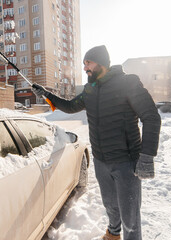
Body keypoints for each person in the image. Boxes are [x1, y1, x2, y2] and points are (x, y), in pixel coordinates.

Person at [32, 45, 161, 240]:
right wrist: (47, 95)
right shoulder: (90, 90)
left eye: (88, 63)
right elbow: (69, 106)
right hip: (101, 160)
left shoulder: (128, 83)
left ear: (101, 63)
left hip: (126, 163)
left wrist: (147, 157)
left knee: (130, 216)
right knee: (110, 205)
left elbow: (151, 117)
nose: (85, 68)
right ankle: (113, 235)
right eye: (84, 64)